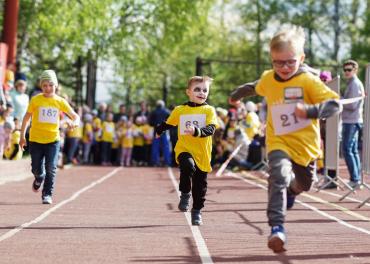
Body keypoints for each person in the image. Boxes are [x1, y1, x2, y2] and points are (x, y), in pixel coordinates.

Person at [229, 26, 341, 253]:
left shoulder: (308, 81)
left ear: (301, 58)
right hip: (278, 141)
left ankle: (292, 190)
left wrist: (309, 112)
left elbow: (334, 104)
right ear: (271, 60)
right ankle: (277, 228)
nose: (284, 68)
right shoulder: (269, 78)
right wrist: (237, 94)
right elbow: (255, 87)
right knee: (277, 175)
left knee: (304, 184)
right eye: (277, 63)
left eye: (290, 62)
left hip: (305, 146)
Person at [155, 76, 218, 225]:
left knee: (200, 187)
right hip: (184, 149)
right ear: (188, 92)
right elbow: (169, 123)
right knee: (187, 166)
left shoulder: (209, 110)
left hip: (202, 154)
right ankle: (184, 193)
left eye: (205, 90)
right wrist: (159, 129)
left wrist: (196, 131)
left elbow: (211, 129)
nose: (201, 92)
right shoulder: (180, 110)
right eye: (197, 89)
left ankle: (196, 211)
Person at [19, 70, 80, 204]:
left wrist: (74, 123)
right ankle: (39, 177)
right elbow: (26, 118)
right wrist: (22, 136)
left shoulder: (60, 101)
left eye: (51, 85)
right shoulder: (36, 100)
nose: (48, 88)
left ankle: (47, 194)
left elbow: (76, 116)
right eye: (45, 85)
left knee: (51, 167)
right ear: (41, 86)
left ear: (56, 86)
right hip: (35, 139)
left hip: (53, 140)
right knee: (36, 168)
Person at [341, 60, 364, 189]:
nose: (346, 72)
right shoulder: (352, 83)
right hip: (353, 120)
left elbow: (353, 105)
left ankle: (355, 179)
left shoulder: (354, 84)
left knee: (348, 150)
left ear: (355, 70)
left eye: (349, 69)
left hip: (352, 120)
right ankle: (356, 179)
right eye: (345, 69)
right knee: (352, 150)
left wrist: (340, 101)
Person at [149, 100, 171, 166]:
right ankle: (167, 162)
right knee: (166, 147)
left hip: (156, 131)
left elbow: (150, 122)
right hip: (164, 132)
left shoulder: (153, 112)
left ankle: (155, 162)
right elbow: (170, 121)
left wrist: (156, 125)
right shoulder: (167, 112)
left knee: (155, 147)